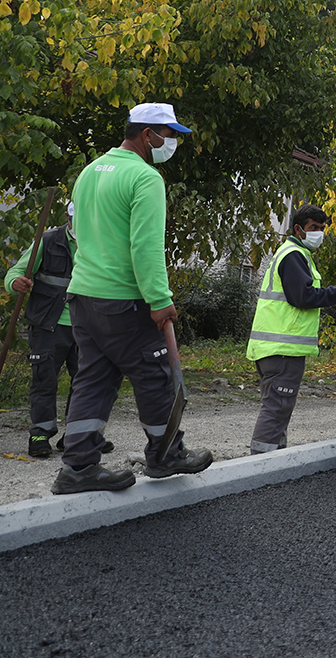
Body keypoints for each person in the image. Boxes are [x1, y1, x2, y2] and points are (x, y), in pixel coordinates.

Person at [54, 103, 213, 494]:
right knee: (155, 377)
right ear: (148, 134)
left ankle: (78, 466)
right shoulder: (145, 178)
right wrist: (159, 299)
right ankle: (166, 454)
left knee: (93, 379)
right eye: (170, 135)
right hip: (125, 301)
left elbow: (83, 235)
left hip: (83, 297)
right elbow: (146, 247)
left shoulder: (90, 173)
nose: (172, 143)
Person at [246, 204, 336, 454]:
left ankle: (273, 460)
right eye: (314, 228)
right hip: (282, 350)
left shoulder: (296, 254)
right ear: (299, 229)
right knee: (277, 408)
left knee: (279, 408)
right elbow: (303, 297)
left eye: (322, 229)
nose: (319, 233)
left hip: (275, 349)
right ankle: (258, 464)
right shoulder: (293, 255)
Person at [3, 202, 112, 458]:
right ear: (67, 216)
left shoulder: (100, 242)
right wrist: (15, 283)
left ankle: (77, 437)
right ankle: (40, 435)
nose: (80, 225)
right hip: (49, 325)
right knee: (44, 380)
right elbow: (16, 271)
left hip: (87, 326)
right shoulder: (48, 240)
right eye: (75, 219)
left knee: (88, 383)